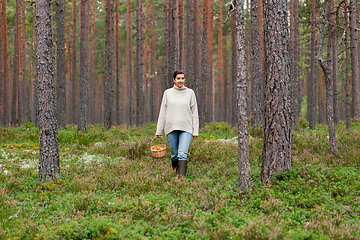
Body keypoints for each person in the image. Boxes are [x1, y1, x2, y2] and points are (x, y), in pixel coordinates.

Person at [155, 70, 199, 176]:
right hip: (171, 128)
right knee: (174, 155)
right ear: (174, 80)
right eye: (178, 78)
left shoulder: (190, 93)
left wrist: (195, 130)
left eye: (182, 78)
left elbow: (194, 113)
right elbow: (163, 113)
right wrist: (159, 130)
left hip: (186, 128)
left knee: (182, 154)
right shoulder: (167, 93)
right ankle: (175, 176)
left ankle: (181, 180)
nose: (181, 80)